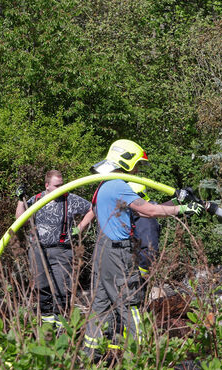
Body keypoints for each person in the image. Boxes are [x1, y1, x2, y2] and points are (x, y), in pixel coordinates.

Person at [83, 139, 206, 358]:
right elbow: (149, 211)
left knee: (100, 303)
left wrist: (176, 202)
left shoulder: (106, 183)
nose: (138, 170)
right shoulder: (118, 184)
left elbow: (142, 210)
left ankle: (90, 356)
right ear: (127, 161)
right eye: (137, 164)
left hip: (103, 251)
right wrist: (182, 209)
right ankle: (139, 357)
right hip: (118, 253)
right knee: (130, 303)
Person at [15, 170, 95, 327]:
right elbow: (20, 220)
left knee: (62, 289)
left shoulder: (70, 199)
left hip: (62, 250)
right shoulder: (36, 200)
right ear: (47, 185)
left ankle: (61, 325)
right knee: (41, 287)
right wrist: (20, 201)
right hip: (38, 250)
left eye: (62, 184)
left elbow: (92, 209)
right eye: (57, 185)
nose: (61, 188)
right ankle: (46, 325)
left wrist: (79, 228)